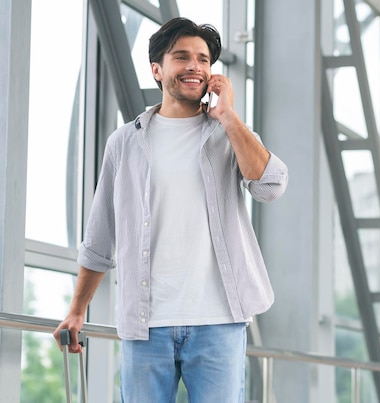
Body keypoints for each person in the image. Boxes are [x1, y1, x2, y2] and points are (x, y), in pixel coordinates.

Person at [53, 17, 288, 403]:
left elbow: (271, 187)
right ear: (157, 70)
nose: (194, 66)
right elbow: (100, 237)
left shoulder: (229, 136)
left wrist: (229, 116)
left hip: (219, 323)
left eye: (203, 59)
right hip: (146, 326)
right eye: (182, 57)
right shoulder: (124, 143)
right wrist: (78, 310)